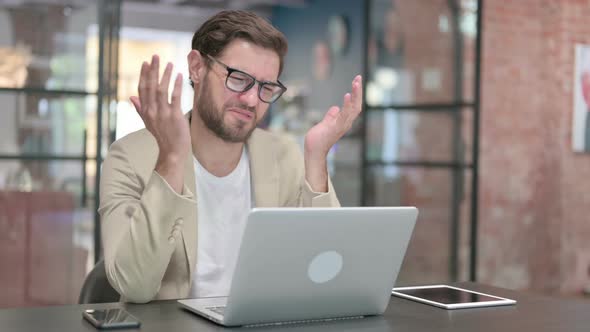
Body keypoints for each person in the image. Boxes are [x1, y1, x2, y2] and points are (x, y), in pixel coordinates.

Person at [99, 10, 363, 303]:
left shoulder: (282, 154)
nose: (251, 100)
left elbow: (327, 272)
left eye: (266, 87)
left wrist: (316, 159)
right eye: (238, 79)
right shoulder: (129, 157)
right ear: (197, 68)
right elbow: (134, 286)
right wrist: (171, 158)